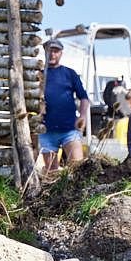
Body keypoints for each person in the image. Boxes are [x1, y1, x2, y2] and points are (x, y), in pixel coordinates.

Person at [39, 38, 90, 173]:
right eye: (49, 51)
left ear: (61, 53)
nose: (52, 54)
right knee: (52, 171)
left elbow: (84, 98)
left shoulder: (69, 73)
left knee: (77, 168)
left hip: (69, 129)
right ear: (44, 52)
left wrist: (83, 116)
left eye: (56, 51)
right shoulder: (38, 75)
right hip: (46, 130)